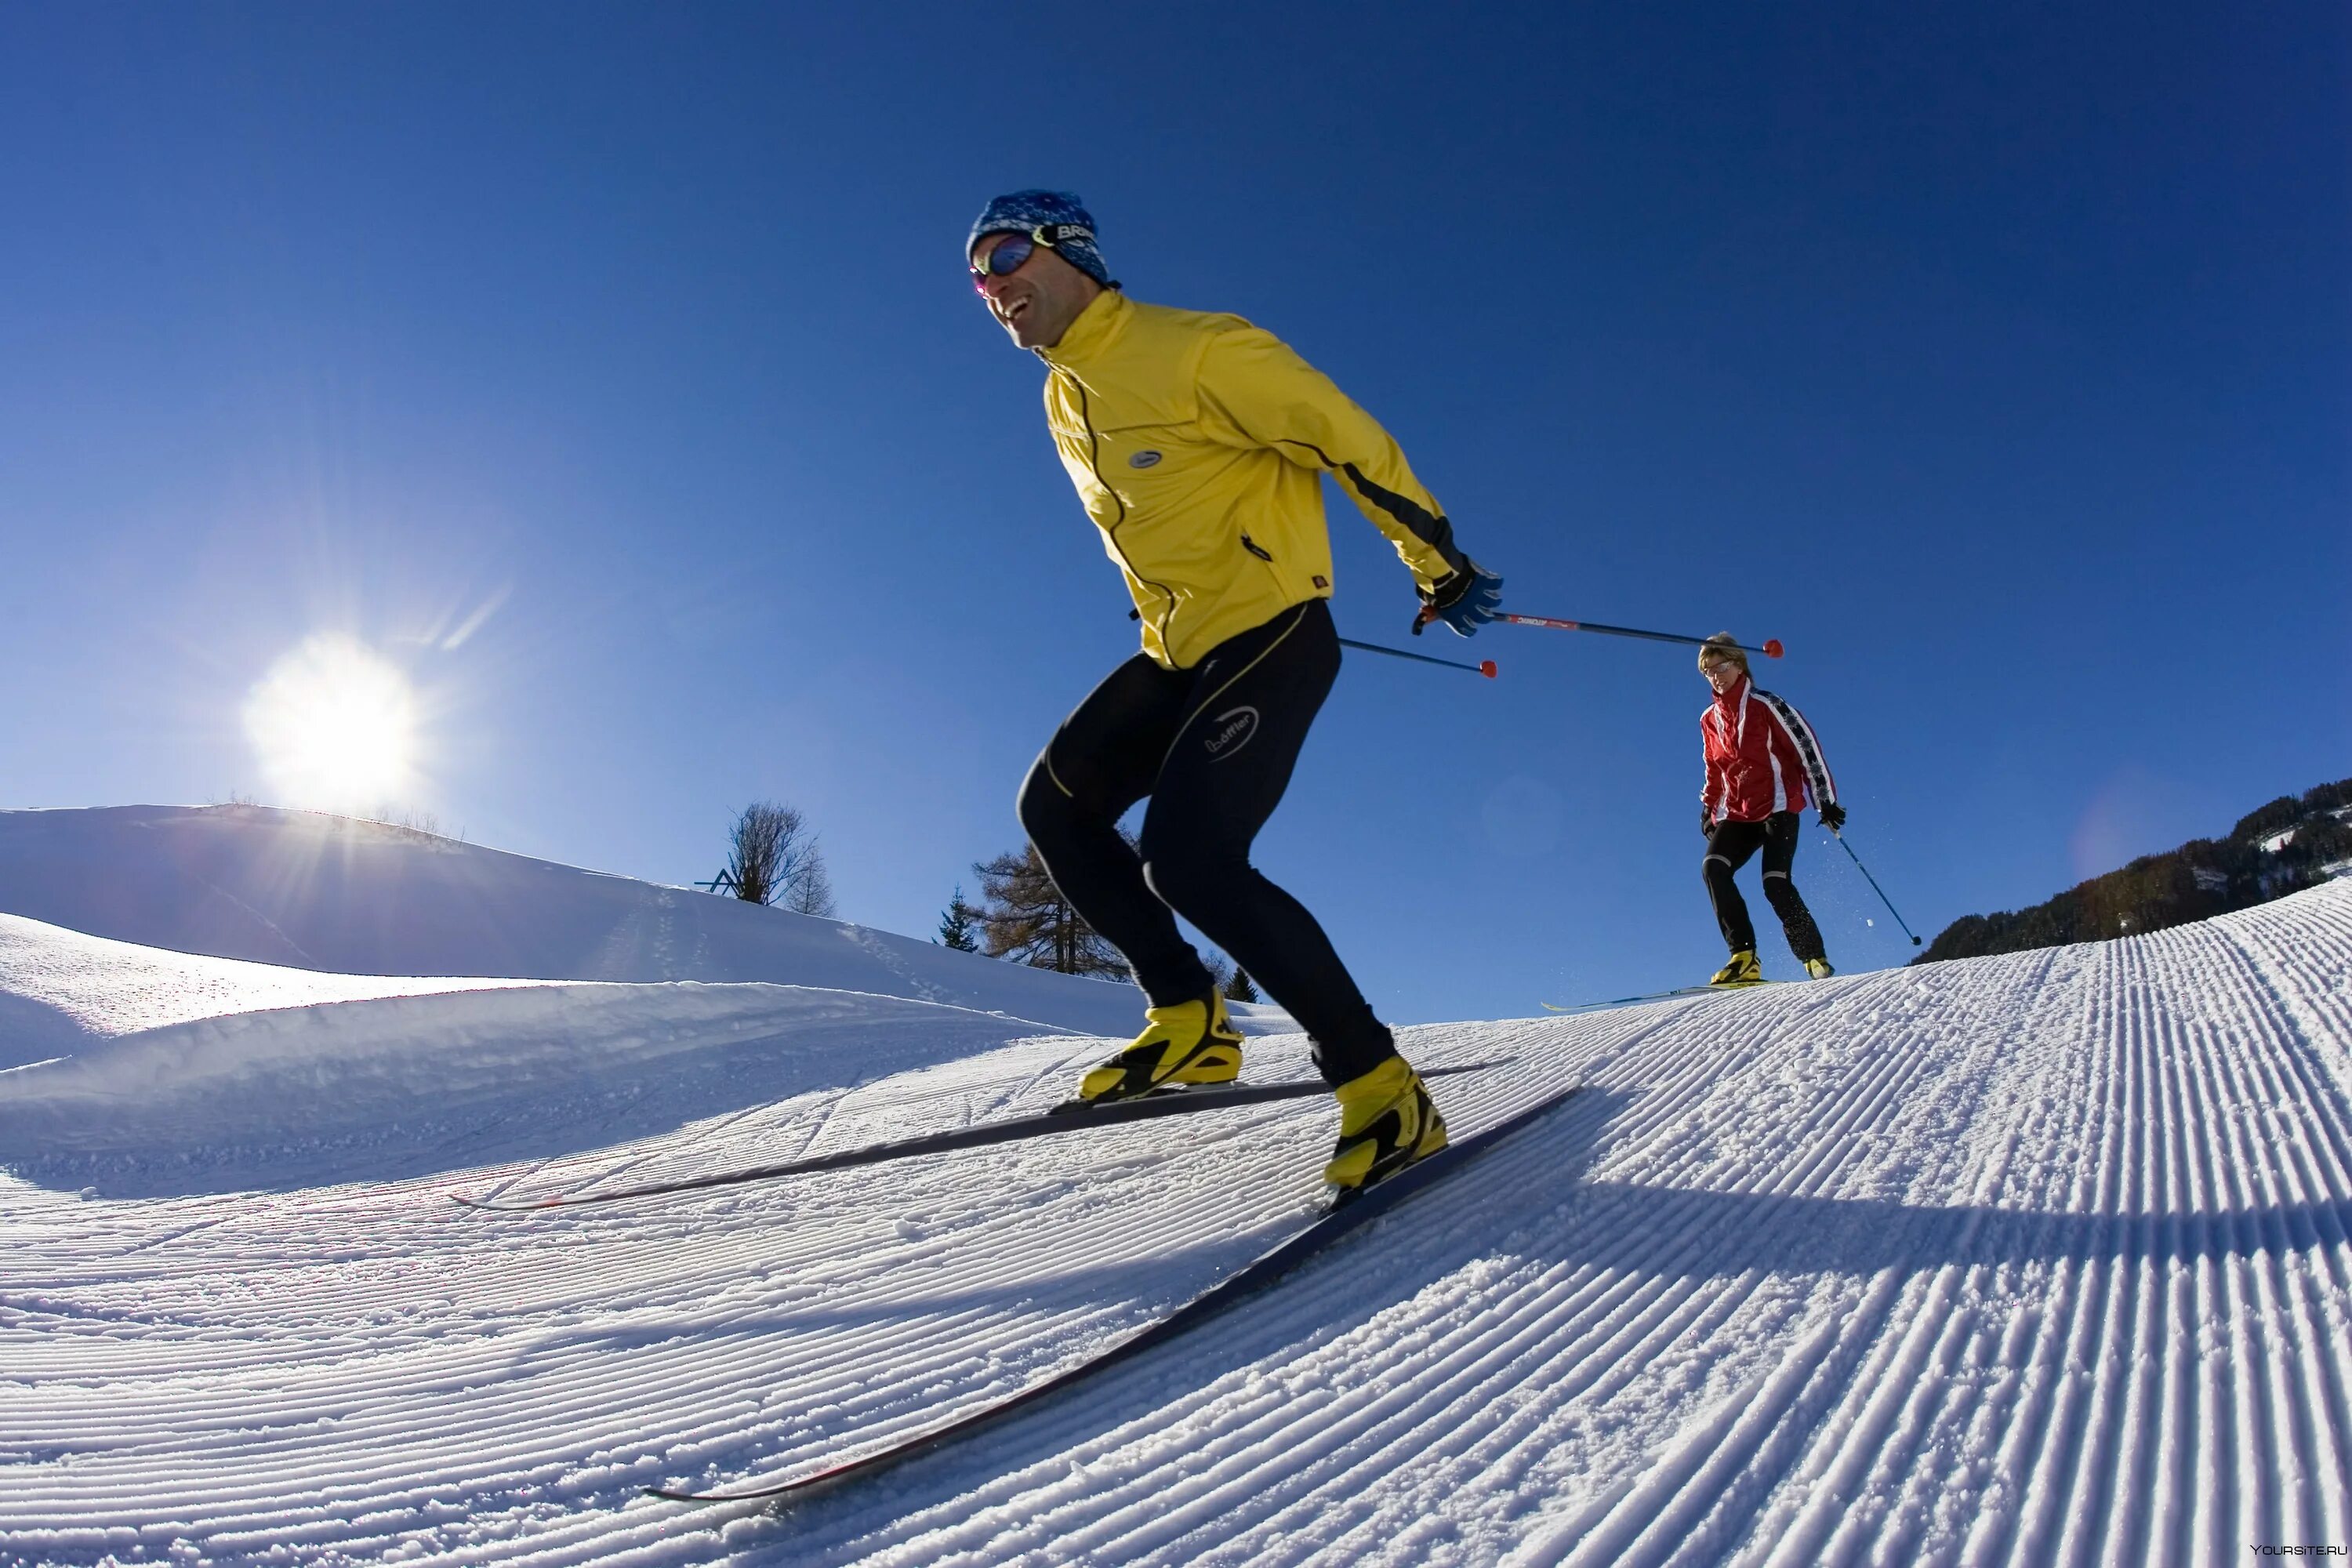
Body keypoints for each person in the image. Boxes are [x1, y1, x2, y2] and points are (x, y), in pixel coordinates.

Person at [966, 190, 1503, 1193]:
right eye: (977, 277)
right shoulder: (1060, 395)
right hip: (1178, 649)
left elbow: (1343, 435)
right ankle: (1188, 1018)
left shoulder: (1201, 348)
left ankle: (1383, 1087)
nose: (990, 287)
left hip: (1274, 631)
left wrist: (1439, 561)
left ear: (1066, 248)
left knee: (1191, 862)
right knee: (1055, 805)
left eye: (1001, 256)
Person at [1697, 633, 1843, 985]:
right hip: (1738, 812)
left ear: (1740, 664)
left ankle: (1813, 958)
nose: (1717, 676)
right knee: (1713, 869)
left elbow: (1806, 748)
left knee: (1775, 883)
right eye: (1708, 671)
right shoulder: (1709, 719)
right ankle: (1744, 957)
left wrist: (1826, 802)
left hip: (1779, 806)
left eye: (1723, 667)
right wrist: (1709, 809)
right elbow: (1715, 768)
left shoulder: (1767, 704)